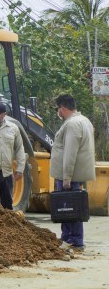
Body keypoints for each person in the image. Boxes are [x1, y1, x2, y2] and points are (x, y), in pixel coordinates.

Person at [50, 94, 96, 251]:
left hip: (69, 175)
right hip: (75, 174)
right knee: (72, 208)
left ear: (62, 108)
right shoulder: (84, 121)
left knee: (69, 209)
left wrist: (67, 177)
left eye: (58, 109)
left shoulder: (72, 124)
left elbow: (70, 152)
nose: (58, 113)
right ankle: (70, 239)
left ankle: (73, 240)